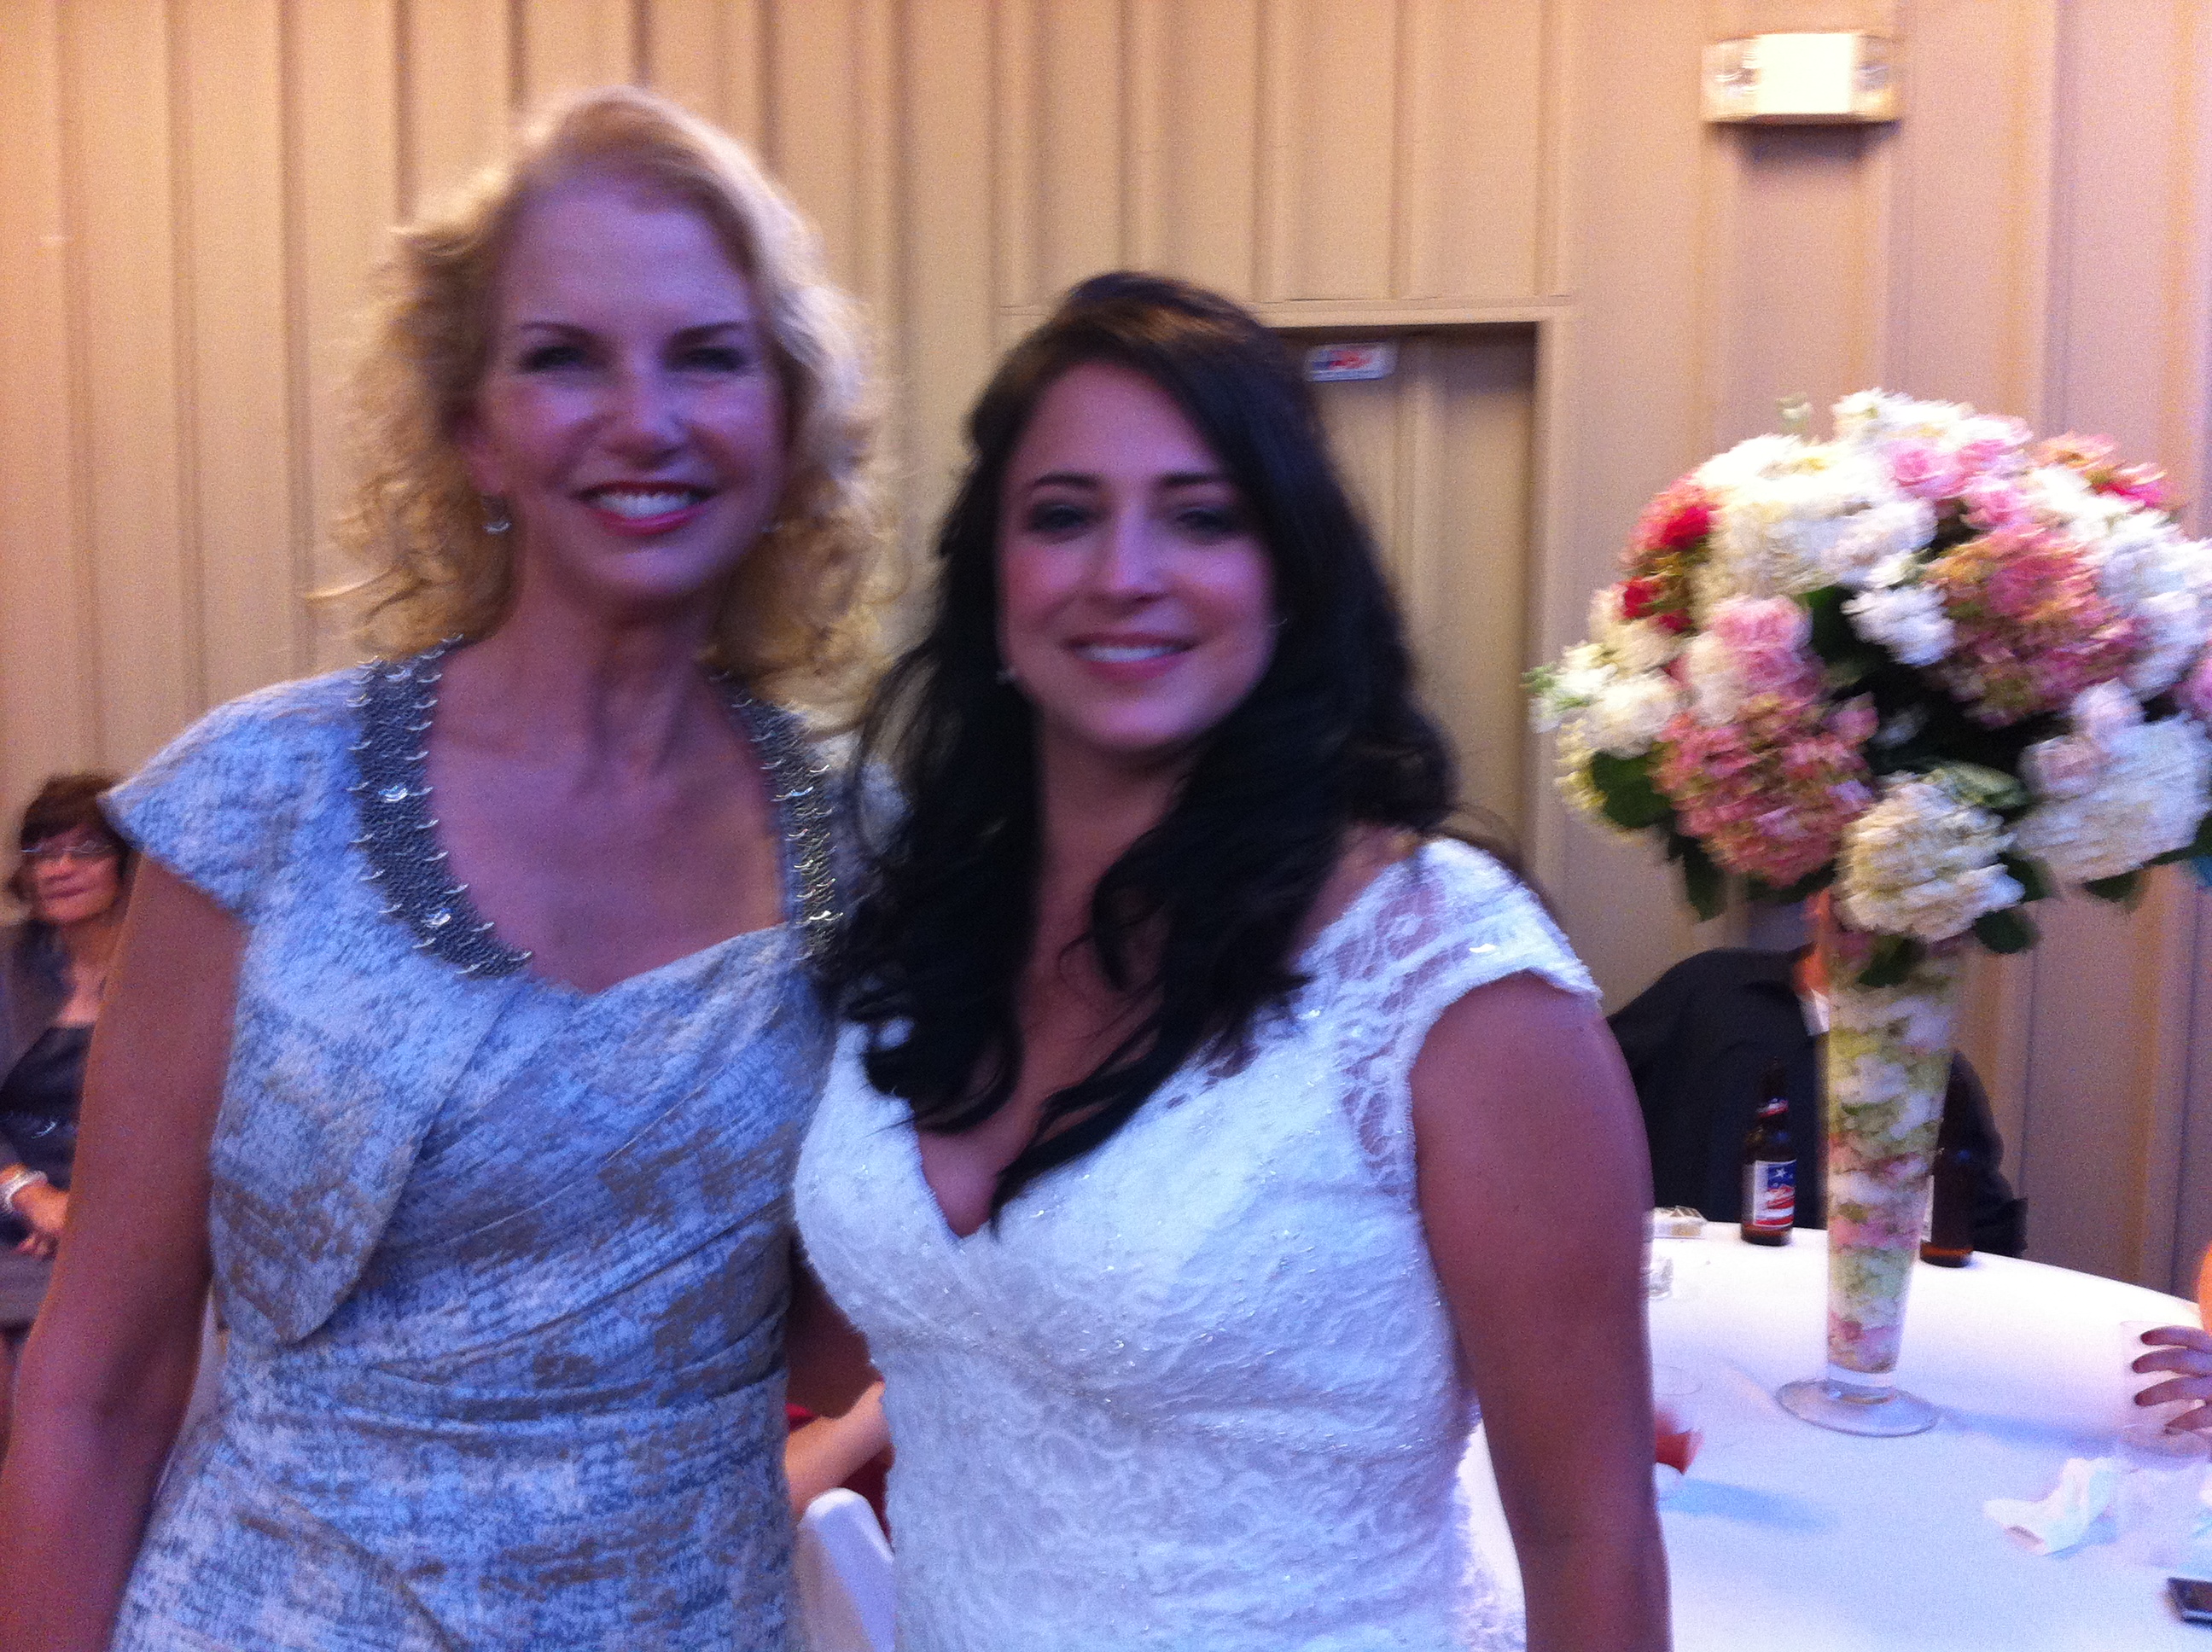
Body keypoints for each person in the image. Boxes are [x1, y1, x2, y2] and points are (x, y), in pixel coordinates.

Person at [0, 86, 883, 1651]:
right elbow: (98, 1387)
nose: (643, 417)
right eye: (563, 358)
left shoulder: (874, 840)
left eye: (707, 355)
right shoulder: (258, 801)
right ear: (473, 429)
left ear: (784, 422)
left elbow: (865, 1327)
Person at [796, 273, 1668, 1649]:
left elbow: (1590, 1536)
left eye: (1201, 517)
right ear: (992, 579)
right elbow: (910, 1330)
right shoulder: (920, 918)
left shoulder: (1449, 983)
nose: (1124, 573)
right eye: (1063, 515)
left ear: (1290, 580)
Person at [1610, 941, 2027, 1253]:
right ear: (1817, 896)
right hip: (1689, 1287)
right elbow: (1590, 1097)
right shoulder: (1711, 987)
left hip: (1842, 1312)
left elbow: (1981, 1226)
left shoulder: (1930, 1065)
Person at [0, 775, 131, 1445]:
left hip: (133, 1212)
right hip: (15, 1208)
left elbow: (196, 1116)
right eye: (42, 852)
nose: (58, 868)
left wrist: (88, 1210)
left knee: (77, 1402)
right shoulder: (5, 962)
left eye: (85, 849)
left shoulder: (170, 968)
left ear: (128, 863)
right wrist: (30, 1196)